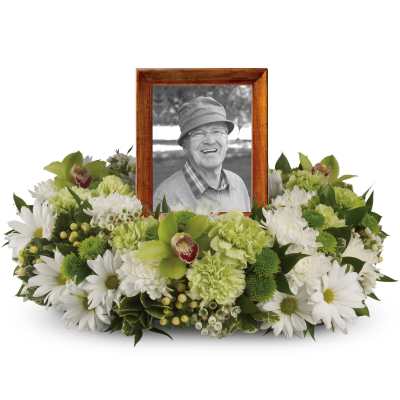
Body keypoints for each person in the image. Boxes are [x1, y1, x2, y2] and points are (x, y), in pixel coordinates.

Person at [153, 96, 251, 213]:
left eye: (217, 131)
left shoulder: (238, 185)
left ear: (226, 140)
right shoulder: (166, 197)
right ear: (185, 144)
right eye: (198, 133)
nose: (210, 141)